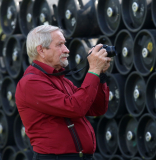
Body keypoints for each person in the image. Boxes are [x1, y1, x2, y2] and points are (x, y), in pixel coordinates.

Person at [15, 25, 111, 160]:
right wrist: (93, 69)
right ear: (41, 50)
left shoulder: (60, 79)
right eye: (60, 45)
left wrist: (100, 75)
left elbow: (97, 108)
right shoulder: (31, 83)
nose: (67, 50)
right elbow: (75, 108)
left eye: (65, 44)